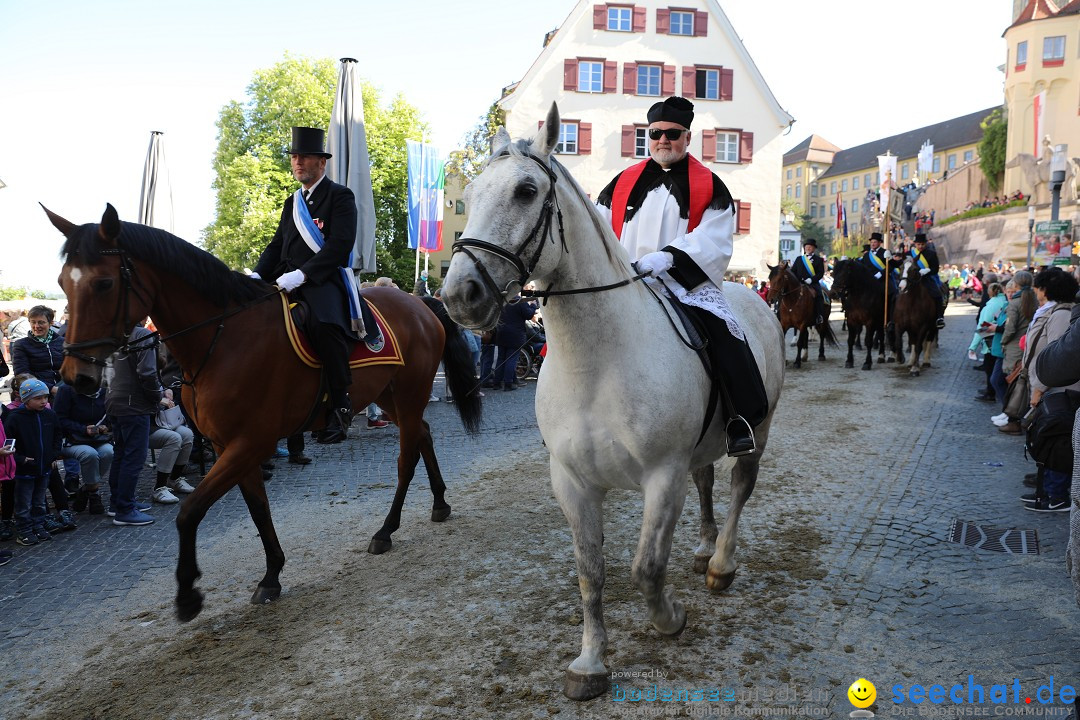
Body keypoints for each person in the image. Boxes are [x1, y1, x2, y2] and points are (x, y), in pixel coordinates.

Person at [594, 96, 767, 456]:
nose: (663, 140)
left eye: (672, 134)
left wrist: (667, 259)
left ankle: (740, 420)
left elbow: (715, 237)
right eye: (656, 133)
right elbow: (597, 228)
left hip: (684, 285)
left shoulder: (710, 184)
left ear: (687, 137)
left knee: (725, 335)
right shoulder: (620, 183)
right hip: (624, 282)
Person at [251, 126, 373, 445]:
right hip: (286, 280)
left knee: (324, 326)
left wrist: (303, 275)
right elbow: (277, 246)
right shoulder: (292, 203)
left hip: (323, 280)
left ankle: (341, 404)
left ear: (322, 162)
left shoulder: (340, 196)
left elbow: (339, 245)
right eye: (294, 157)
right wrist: (256, 277)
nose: (297, 162)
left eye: (304, 156)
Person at [1017, 268, 1078, 512]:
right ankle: (1047, 485)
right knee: (1047, 437)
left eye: (1038, 287)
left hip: (1058, 388)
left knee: (1056, 441)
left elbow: (1056, 355)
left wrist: (1039, 389)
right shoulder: (1053, 310)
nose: (1035, 290)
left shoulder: (1061, 314)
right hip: (1049, 385)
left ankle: (1056, 493)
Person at [106, 324, 160, 526]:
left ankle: (118, 503)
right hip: (134, 404)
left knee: (121, 454)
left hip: (114, 401)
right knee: (133, 457)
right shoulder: (142, 334)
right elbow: (147, 372)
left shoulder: (113, 332)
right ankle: (125, 509)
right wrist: (156, 397)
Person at [2, 379, 62, 545]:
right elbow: (8, 443)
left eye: (45, 397)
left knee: (39, 501)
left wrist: (54, 454)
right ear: (25, 399)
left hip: (44, 467)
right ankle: (24, 530)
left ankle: (38, 525)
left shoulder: (49, 414)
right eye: (38, 398)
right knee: (24, 502)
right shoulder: (15, 418)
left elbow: (57, 434)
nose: (43, 401)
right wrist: (20, 459)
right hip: (24, 470)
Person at [53, 383, 111, 515]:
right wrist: (83, 429)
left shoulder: (103, 388)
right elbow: (58, 419)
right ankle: (94, 494)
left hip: (97, 438)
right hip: (70, 438)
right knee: (89, 454)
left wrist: (105, 426)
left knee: (108, 452)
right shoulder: (66, 390)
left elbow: (109, 416)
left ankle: (86, 489)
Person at [11, 305, 65, 394]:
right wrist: (51, 389)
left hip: (64, 389)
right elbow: (23, 375)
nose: (36, 326)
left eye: (41, 322)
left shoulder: (63, 342)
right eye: (33, 322)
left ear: (51, 323)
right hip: (38, 393)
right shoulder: (21, 345)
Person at [909, 234, 946, 329]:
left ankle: (939, 317)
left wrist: (927, 270)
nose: (920, 246)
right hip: (913, 279)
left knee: (938, 295)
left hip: (928, 278)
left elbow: (935, 268)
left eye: (922, 244)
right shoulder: (910, 253)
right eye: (918, 244)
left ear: (925, 244)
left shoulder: (931, 254)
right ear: (915, 244)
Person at [791, 238, 827, 325]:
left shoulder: (818, 260)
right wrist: (799, 280)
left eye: (810, 246)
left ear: (814, 248)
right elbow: (793, 271)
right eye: (807, 246)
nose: (808, 248)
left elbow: (820, 273)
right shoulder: (799, 259)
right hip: (799, 283)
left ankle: (819, 316)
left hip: (813, 284)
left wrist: (811, 279)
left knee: (819, 295)